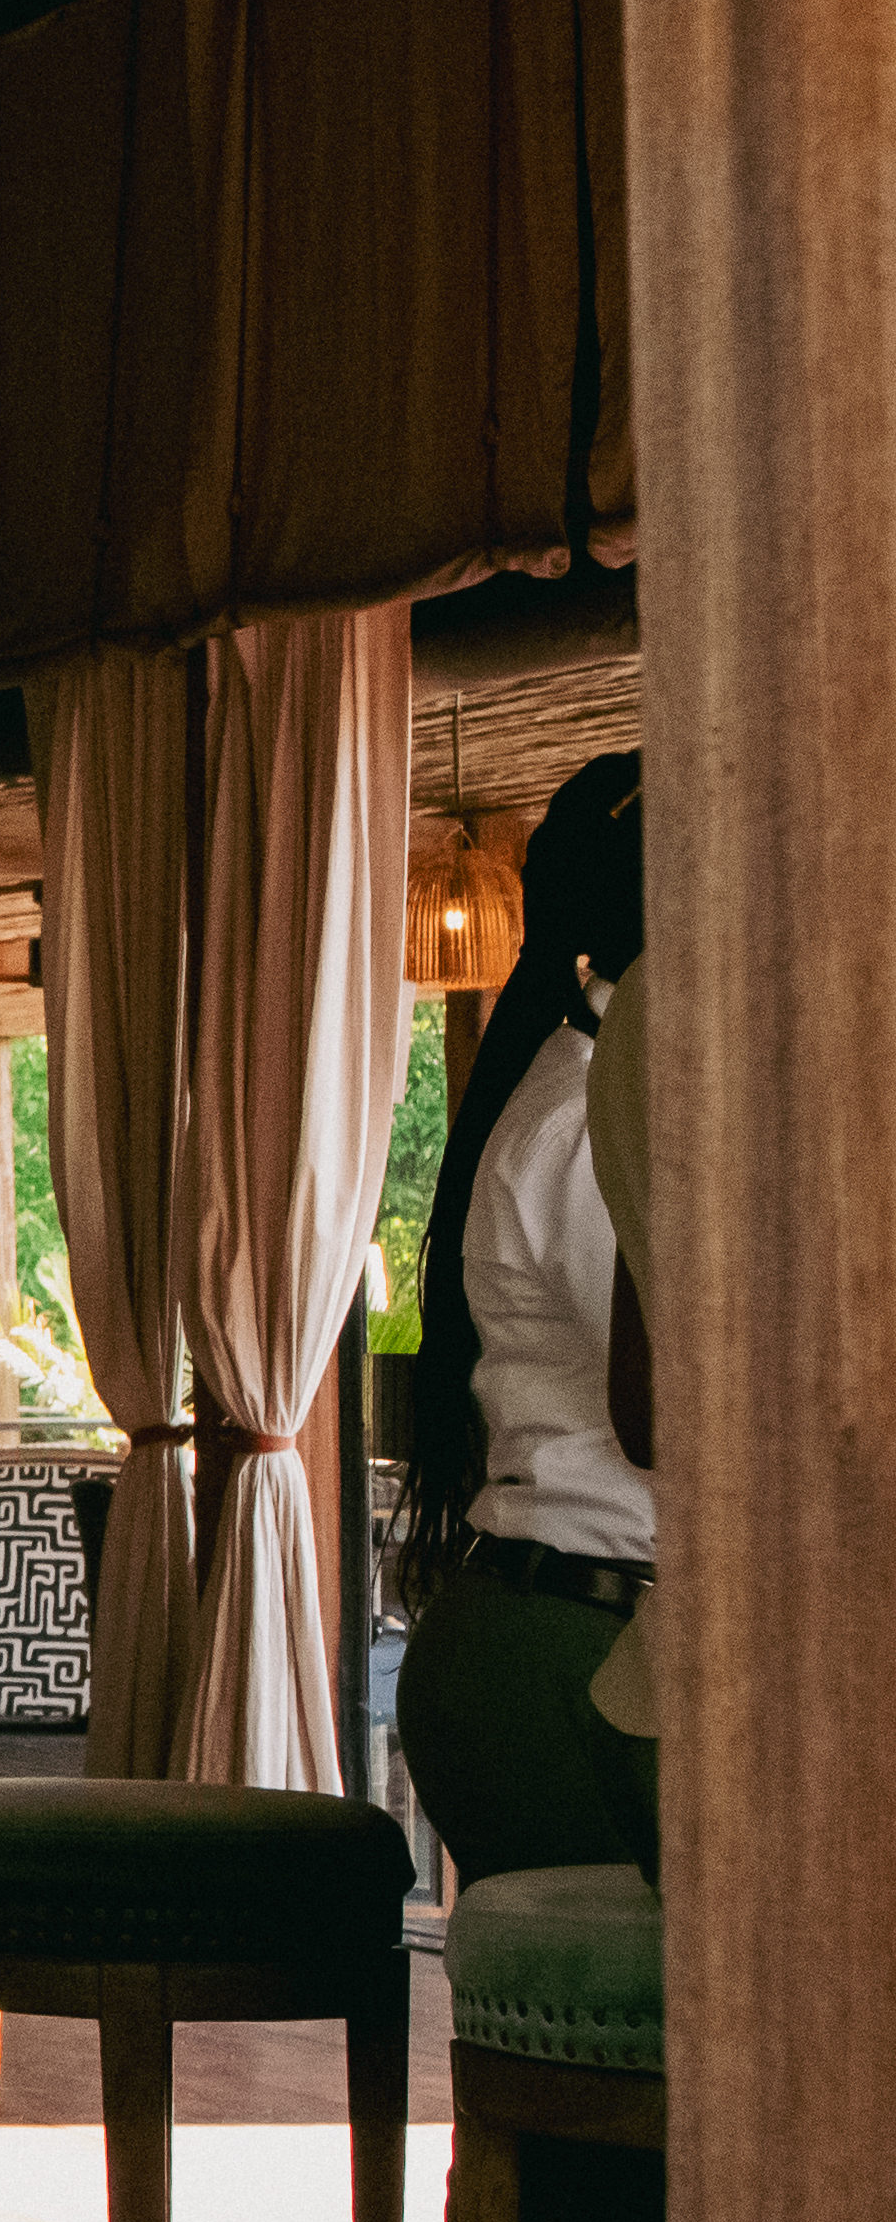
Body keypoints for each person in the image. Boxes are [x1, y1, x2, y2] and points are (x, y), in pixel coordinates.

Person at [394, 752, 651, 1881]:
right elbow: (687, 1407)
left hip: (564, 1632)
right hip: (569, 1651)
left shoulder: (599, 1090)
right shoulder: (592, 1119)